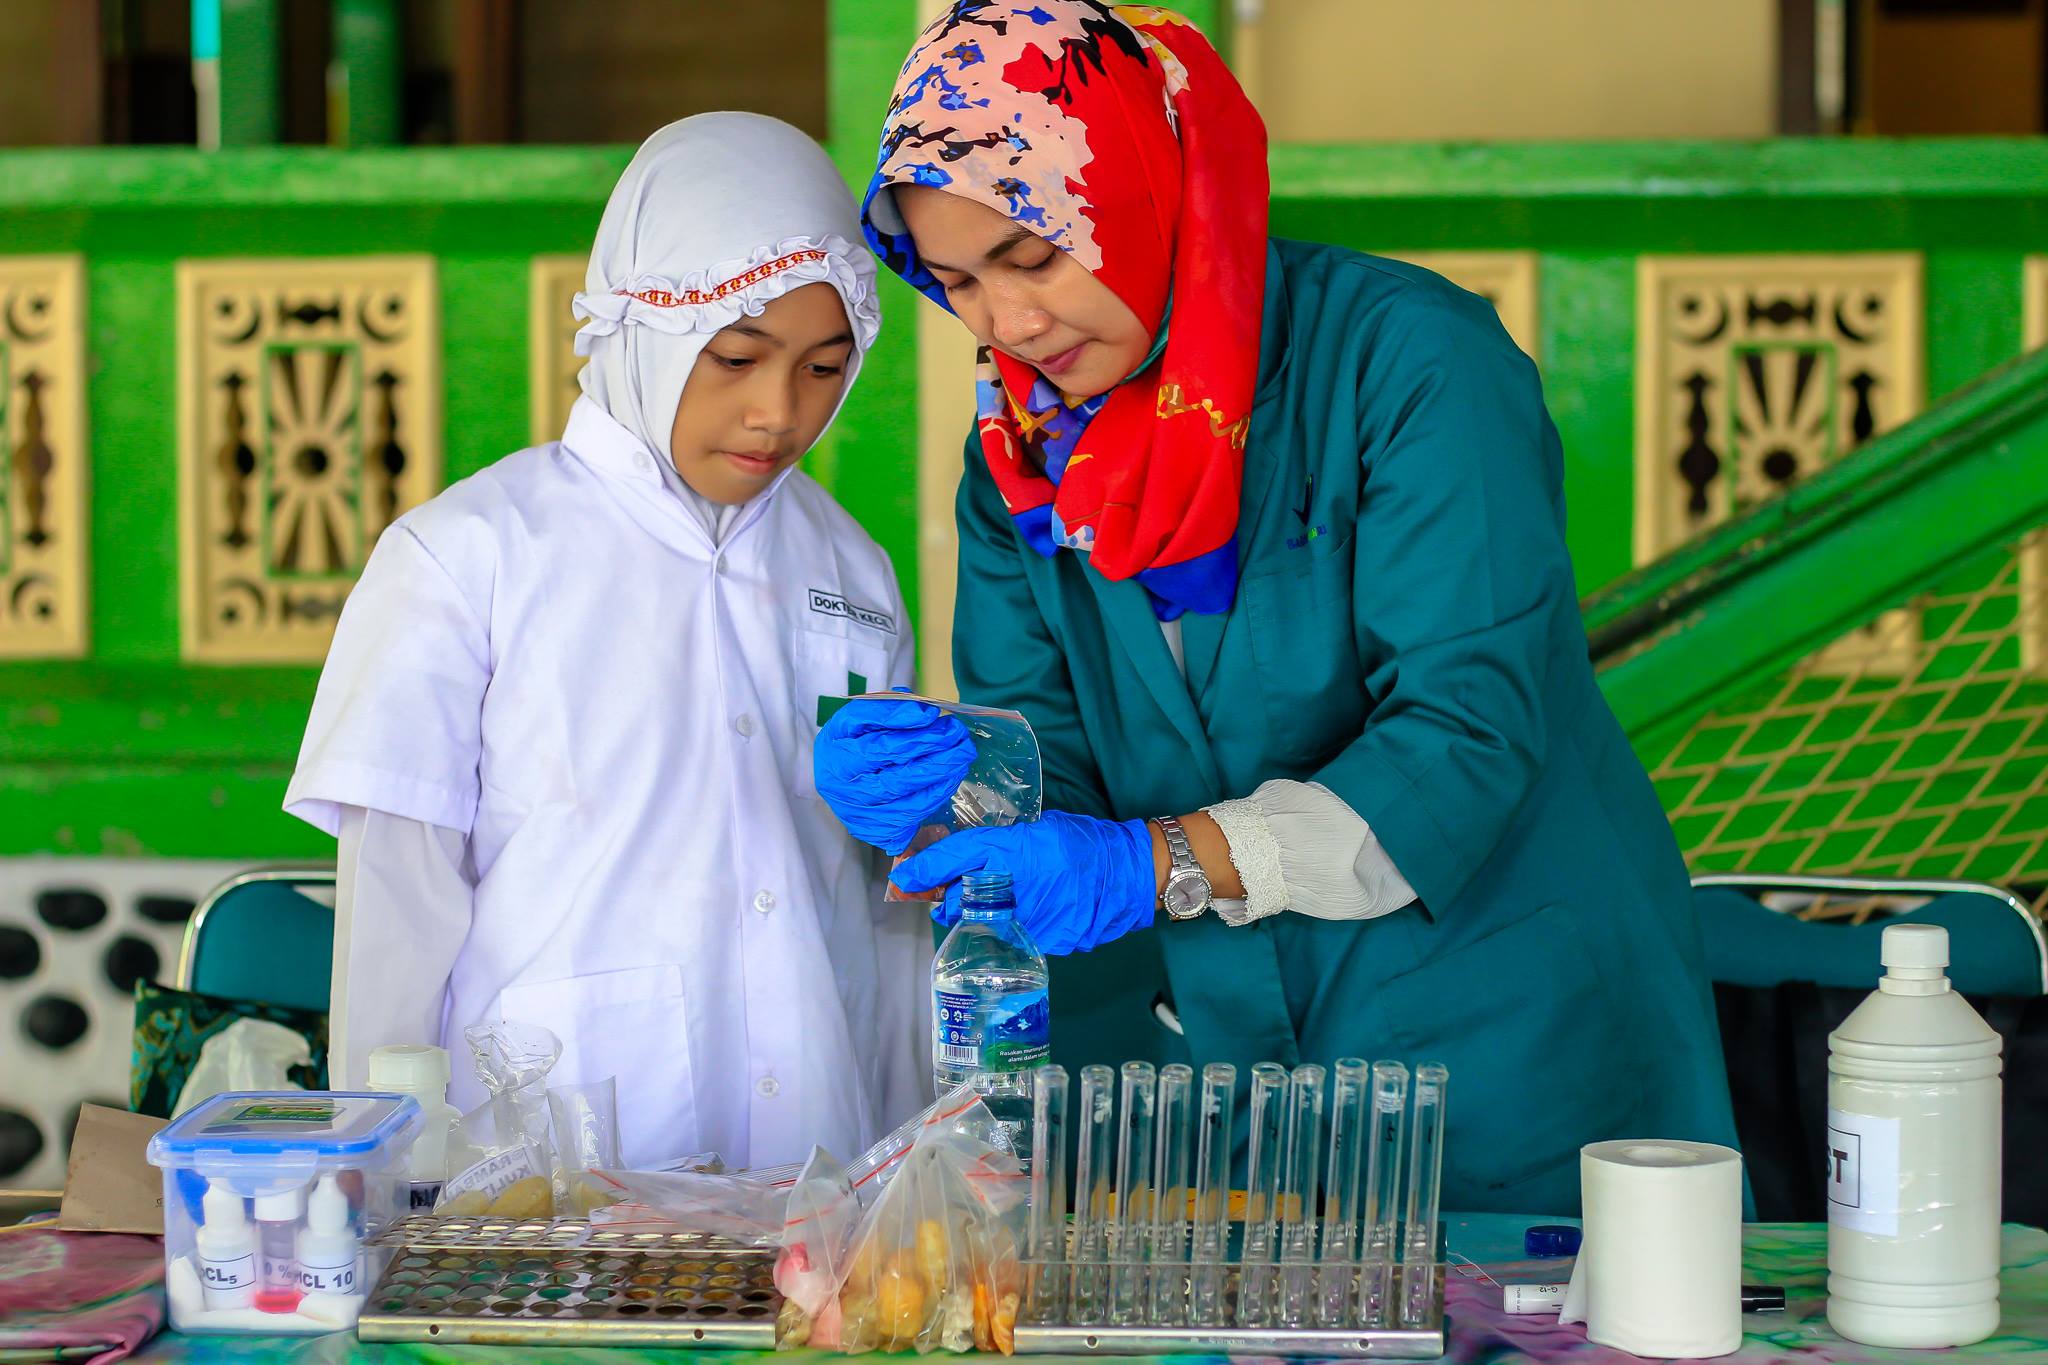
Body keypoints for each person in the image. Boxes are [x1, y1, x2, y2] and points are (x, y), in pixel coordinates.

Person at [813, 1, 1737, 1213]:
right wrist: (956, 780)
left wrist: (1153, 866)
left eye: (1032, 255)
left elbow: (1462, 736)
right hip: (1242, 1097)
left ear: (1135, 184)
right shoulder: (1020, 460)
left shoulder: (1406, 365)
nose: (1009, 324)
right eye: (958, 283)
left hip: (1509, 1053)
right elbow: (1060, 770)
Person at [285, 113, 930, 1170]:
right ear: (647, 328)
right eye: (735, 357)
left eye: (823, 368)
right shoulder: (471, 557)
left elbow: (882, 911)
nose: (776, 410)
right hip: (545, 1185)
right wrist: (378, 1193)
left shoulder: (852, 573)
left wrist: (902, 1173)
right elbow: (398, 917)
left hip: (816, 1163)